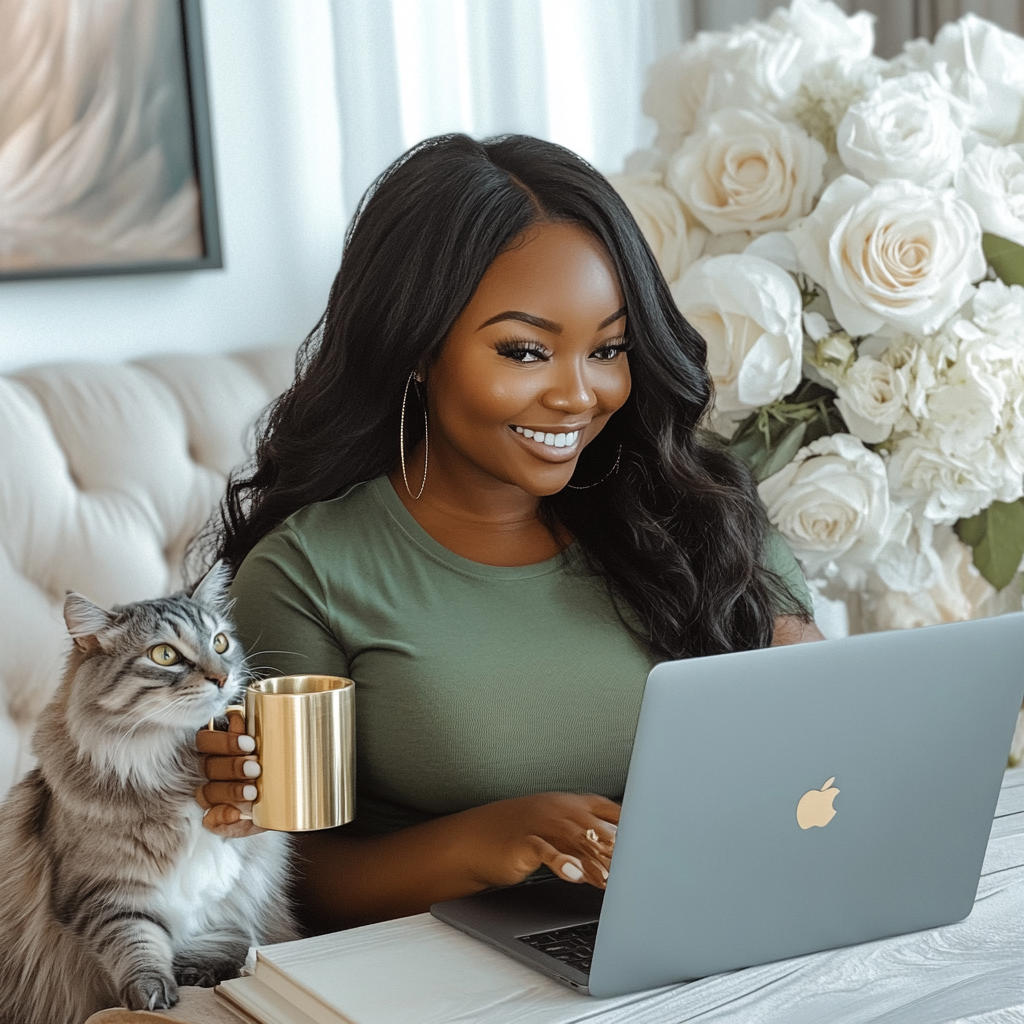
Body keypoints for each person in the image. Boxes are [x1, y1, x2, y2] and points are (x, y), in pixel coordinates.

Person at [195, 133, 824, 933]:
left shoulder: (702, 516)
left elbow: (822, 777)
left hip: (733, 935)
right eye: (526, 351)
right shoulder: (310, 573)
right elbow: (299, 888)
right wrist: (493, 842)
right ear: (419, 344)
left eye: (609, 349)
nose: (578, 395)